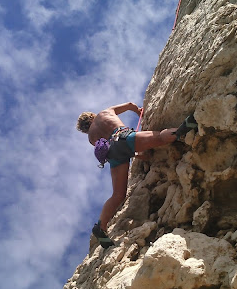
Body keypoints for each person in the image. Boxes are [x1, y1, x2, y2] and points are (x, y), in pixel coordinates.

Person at [77, 102, 197, 248]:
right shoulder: (104, 113)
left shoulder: (91, 138)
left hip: (113, 155)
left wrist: (138, 155)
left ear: (84, 129)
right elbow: (129, 105)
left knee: (118, 195)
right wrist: (138, 110)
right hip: (122, 137)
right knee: (159, 137)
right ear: (91, 116)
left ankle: (100, 227)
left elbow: (110, 147)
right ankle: (181, 130)